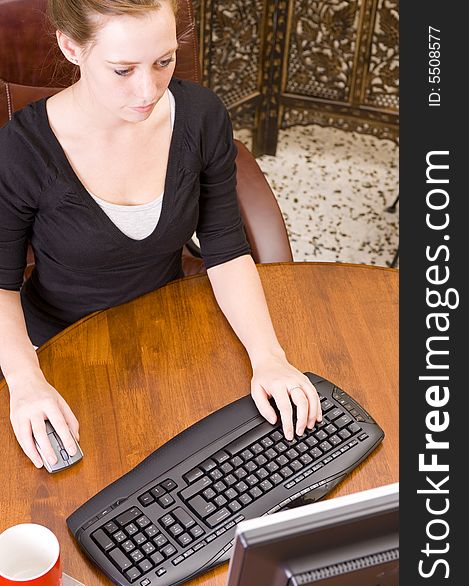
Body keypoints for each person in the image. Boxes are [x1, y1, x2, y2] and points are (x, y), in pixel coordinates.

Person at [0, 0, 321, 470]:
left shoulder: (201, 117)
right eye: (123, 70)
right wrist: (26, 384)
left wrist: (270, 358)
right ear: (72, 48)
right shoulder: (22, 148)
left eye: (164, 61)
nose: (148, 90)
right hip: (62, 347)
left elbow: (227, 252)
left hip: (167, 326)